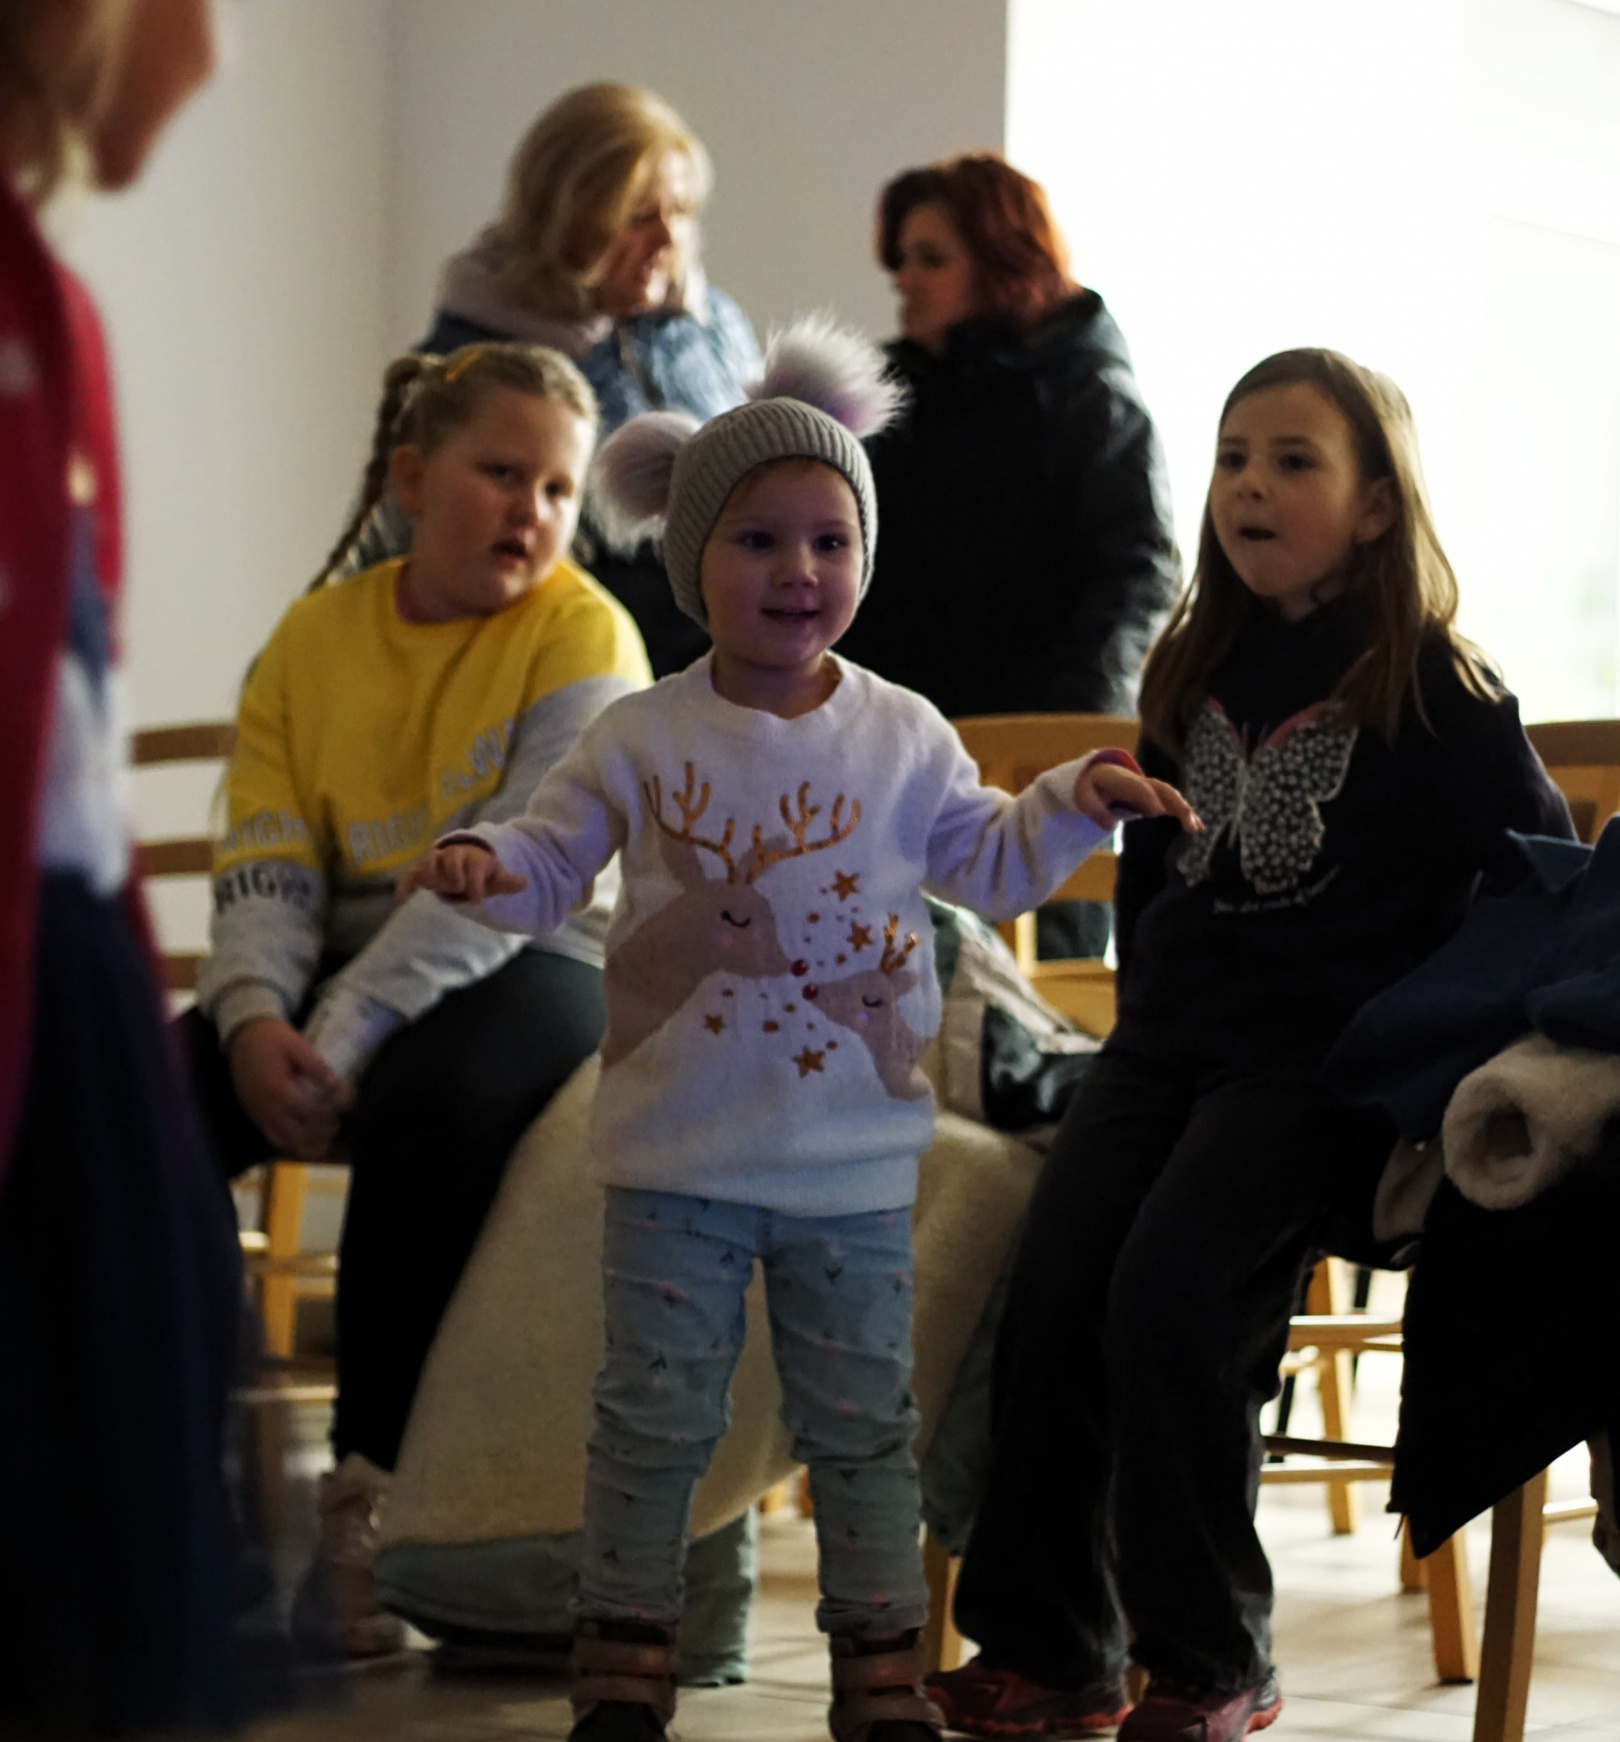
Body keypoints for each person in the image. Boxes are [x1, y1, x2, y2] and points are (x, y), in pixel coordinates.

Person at [402, 317, 1197, 1742]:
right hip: (675, 1167)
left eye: (830, 540)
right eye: (759, 539)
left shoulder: (900, 733)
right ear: (693, 558)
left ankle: (884, 1685)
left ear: (864, 556)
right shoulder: (643, 733)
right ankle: (622, 1670)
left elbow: (991, 862)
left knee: (864, 1432)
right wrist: (485, 863)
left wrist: (1075, 799)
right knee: (652, 1418)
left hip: (850, 1173)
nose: (798, 570)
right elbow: (552, 858)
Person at [926, 348, 1574, 1742]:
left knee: (1171, 1290)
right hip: (1164, 1050)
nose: (1250, 487)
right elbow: (1152, 881)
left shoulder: (1436, 684)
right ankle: (1055, 1646)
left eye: (1292, 461)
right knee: (1057, 1279)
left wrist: (1445, 1045)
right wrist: (1140, 1024)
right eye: (1231, 458)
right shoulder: (1194, 668)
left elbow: (1546, 873)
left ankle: (1212, 1655)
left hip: (1316, 1073)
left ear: (1377, 506)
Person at [183, 341, 652, 1662]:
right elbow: (266, 861)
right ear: (409, 478)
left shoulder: (584, 632)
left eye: (556, 489)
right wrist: (253, 1019)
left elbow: (508, 877)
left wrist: (341, 1036)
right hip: (335, 966)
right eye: (500, 472)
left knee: (431, 1102)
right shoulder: (310, 639)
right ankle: (194, 1505)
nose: (531, 511)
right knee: (128, 1110)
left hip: (542, 952)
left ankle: (366, 1506)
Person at [0, 2, 238, 1742]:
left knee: (56, 1646)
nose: (212, 54)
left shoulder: (45, 306)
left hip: (63, 1004)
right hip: (34, 1025)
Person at [838, 153, 1179, 959]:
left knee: (1031, 996)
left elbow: (1135, 581)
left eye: (931, 258)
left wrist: (1061, 743)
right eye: (902, 259)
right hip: (892, 758)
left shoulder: (1094, 400)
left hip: (1039, 767)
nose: (904, 281)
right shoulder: (887, 395)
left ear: (1003, 263)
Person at [350, 81, 759, 676]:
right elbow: (397, 566)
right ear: (566, 215)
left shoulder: (712, 326)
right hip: (562, 677)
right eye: (640, 217)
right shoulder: (468, 364)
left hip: (734, 674)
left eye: (680, 213)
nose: (668, 240)